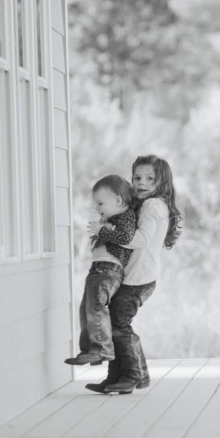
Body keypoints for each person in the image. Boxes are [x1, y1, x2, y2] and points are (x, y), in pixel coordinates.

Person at [86, 155, 183, 394]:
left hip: (139, 278)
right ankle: (119, 376)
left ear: (163, 182)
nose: (142, 182)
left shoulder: (152, 205)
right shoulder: (150, 205)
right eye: (137, 177)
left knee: (119, 324)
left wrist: (106, 233)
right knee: (115, 323)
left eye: (150, 178)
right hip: (138, 276)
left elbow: (139, 240)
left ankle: (132, 375)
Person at [65, 175, 137, 366]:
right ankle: (89, 349)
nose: (97, 208)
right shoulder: (110, 218)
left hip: (109, 270)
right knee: (86, 309)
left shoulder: (126, 217)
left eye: (100, 203)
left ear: (119, 200)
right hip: (98, 269)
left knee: (96, 306)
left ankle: (101, 349)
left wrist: (101, 232)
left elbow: (126, 237)